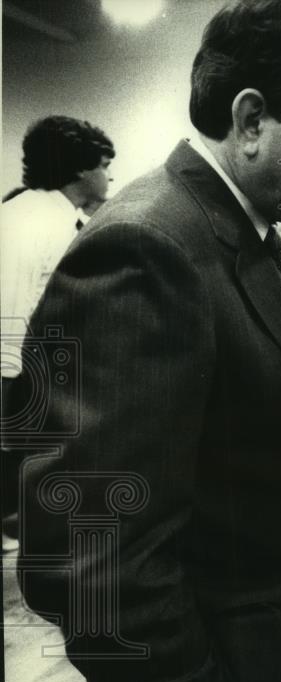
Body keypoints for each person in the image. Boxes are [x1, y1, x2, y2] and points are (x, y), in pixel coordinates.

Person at [11, 0, 281, 682]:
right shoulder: (147, 249)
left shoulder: (250, 231)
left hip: (266, 650)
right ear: (251, 120)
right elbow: (94, 553)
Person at [0, 115, 115, 551]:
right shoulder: (46, 223)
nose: (108, 177)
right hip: (20, 372)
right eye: (106, 165)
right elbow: (20, 310)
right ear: (82, 169)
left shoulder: (27, 211)